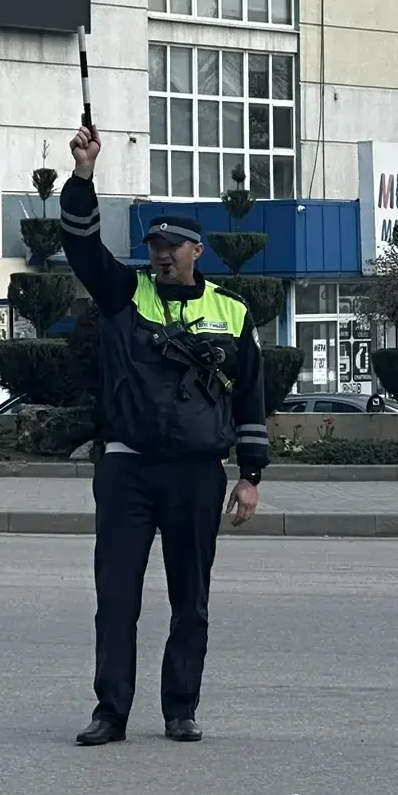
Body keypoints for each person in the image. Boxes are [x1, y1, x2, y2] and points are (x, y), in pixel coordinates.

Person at [60, 126, 269, 747]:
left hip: (197, 473)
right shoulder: (125, 295)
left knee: (191, 599)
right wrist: (83, 176)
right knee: (116, 598)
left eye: (172, 245)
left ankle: (181, 709)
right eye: (154, 245)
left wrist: (250, 475)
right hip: (127, 469)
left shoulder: (232, 312)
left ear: (197, 250)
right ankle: (111, 712)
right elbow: (81, 245)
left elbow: (251, 397)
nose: (161, 254)